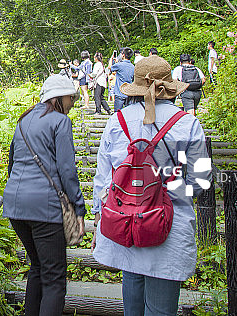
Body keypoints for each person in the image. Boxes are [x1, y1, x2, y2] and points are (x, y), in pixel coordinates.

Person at [90, 56, 210, 316]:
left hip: (125, 222)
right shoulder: (187, 123)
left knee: (132, 297)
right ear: (170, 88)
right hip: (170, 225)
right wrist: (176, 193)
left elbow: (103, 179)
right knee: (161, 309)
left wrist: (99, 216)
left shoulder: (116, 122)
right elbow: (201, 181)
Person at [4, 74, 86, 316]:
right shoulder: (60, 122)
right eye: (71, 98)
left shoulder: (24, 120)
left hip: (15, 206)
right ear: (59, 98)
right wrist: (79, 208)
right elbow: (67, 171)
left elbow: (12, 165)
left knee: (38, 267)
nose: (73, 102)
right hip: (45, 207)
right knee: (54, 278)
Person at [110, 47, 135, 112]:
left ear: (123, 55)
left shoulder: (119, 65)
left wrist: (112, 59)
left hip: (119, 93)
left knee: (117, 114)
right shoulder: (133, 66)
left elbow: (110, 67)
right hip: (128, 93)